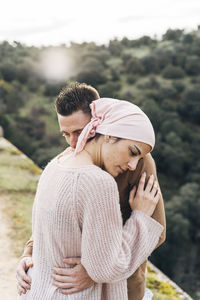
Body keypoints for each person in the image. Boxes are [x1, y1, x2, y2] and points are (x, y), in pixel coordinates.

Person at [17, 83, 166, 300]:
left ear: (100, 123)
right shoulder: (65, 162)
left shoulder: (136, 161)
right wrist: (29, 255)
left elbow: (157, 230)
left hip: (123, 286)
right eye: (65, 134)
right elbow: (53, 216)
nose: (74, 142)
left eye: (79, 131)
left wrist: (95, 271)